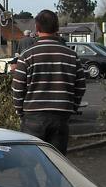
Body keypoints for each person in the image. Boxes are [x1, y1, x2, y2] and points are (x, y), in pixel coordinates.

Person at [12, 10, 86, 154]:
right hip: (61, 116)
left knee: (31, 160)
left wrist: (20, 111)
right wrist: (72, 107)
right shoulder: (72, 55)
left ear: (37, 27)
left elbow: (18, 88)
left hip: (33, 117)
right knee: (56, 162)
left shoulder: (27, 55)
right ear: (57, 28)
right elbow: (80, 86)